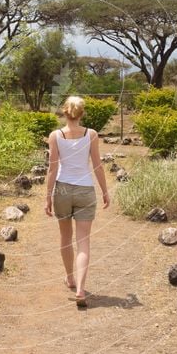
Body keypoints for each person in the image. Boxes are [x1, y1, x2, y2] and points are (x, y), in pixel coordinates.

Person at [44, 96, 109, 308]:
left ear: (64, 112)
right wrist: (105, 191)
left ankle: (70, 278)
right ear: (82, 114)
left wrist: (48, 196)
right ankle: (81, 288)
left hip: (62, 189)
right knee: (83, 241)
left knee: (65, 237)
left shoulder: (56, 136)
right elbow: (97, 166)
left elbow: (52, 169)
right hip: (85, 190)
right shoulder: (91, 134)